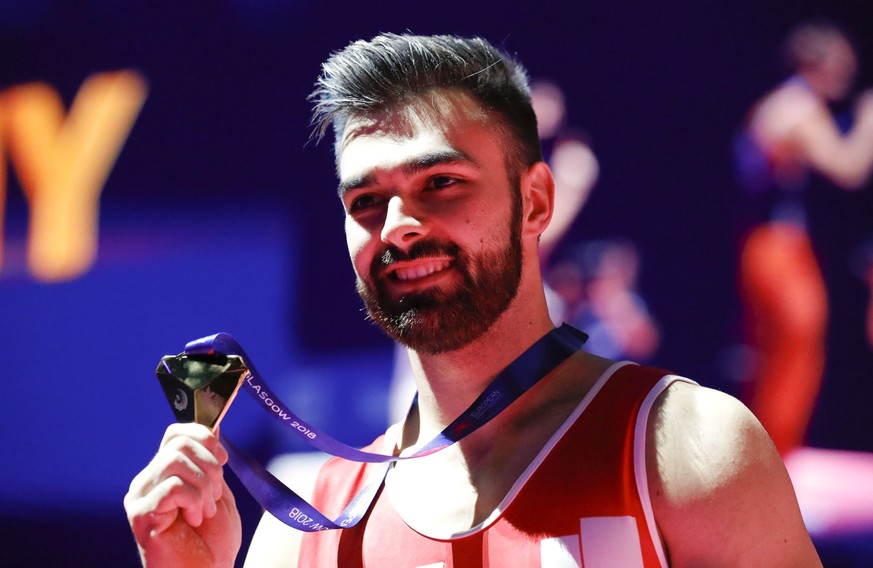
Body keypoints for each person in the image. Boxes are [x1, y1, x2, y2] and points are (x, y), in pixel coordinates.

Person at [125, 33, 821, 566]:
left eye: (442, 183)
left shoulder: (687, 450)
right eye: (366, 199)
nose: (396, 225)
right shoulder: (300, 530)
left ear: (535, 200)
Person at [734, 18, 873, 456]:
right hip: (777, 246)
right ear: (815, 62)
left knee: (773, 349)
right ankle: (777, 455)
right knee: (795, 349)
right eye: (841, 67)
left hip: (767, 243)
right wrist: (870, 117)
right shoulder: (796, 106)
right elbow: (848, 167)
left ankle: (762, 456)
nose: (847, 78)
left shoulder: (780, 104)